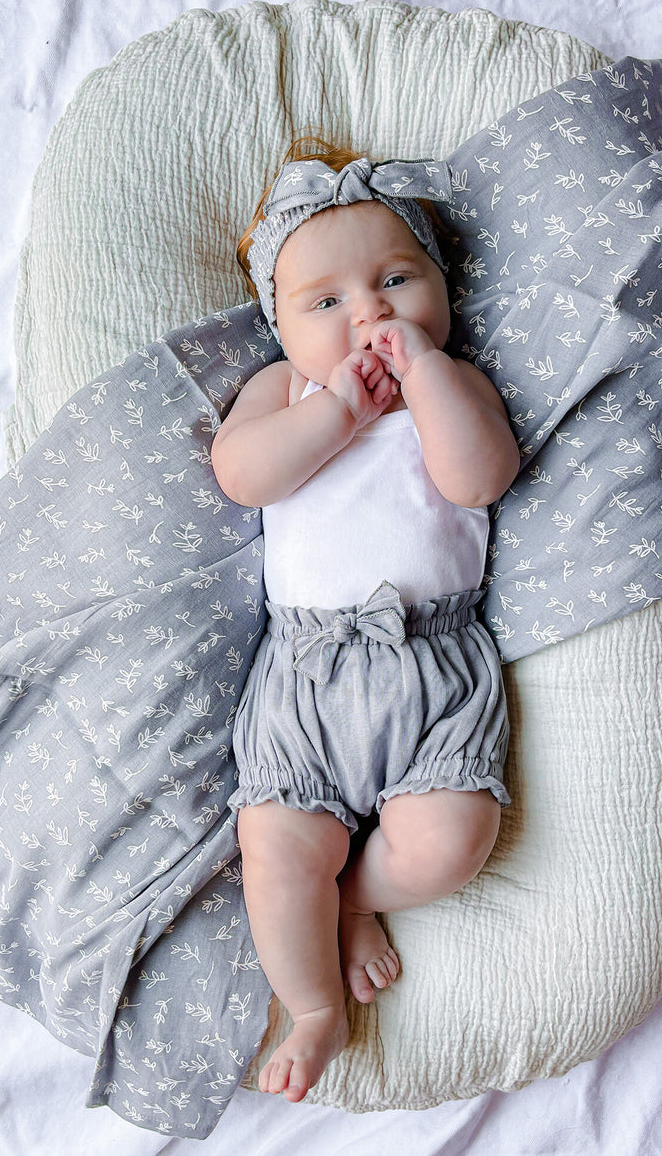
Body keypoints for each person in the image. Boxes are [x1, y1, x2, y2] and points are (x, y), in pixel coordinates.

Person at [210, 136, 521, 1103]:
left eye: (396, 279)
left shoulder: (455, 385)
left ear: (441, 289)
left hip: (437, 663)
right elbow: (241, 473)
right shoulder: (286, 392)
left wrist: (427, 378)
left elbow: (481, 477)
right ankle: (313, 1007)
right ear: (280, 326)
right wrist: (332, 415)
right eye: (327, 302)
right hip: (305, 675)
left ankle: (353, 895)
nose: (371, 310)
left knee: (452, 841)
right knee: (275, 845)